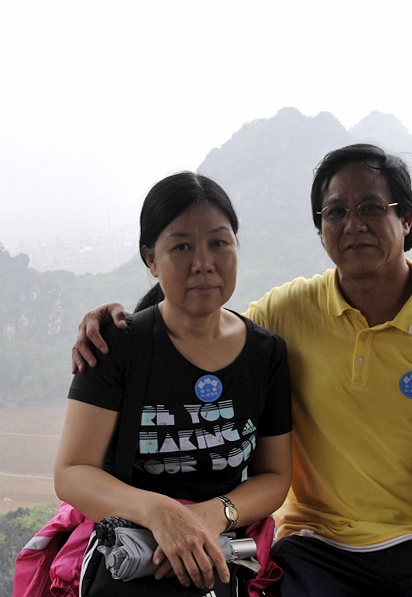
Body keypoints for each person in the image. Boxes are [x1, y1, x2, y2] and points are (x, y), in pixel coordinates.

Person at [71, 145, 412, 597]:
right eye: (336, 212)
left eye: (371, 208)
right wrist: (120, 324)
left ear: (406, 219)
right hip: (320, 547)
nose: (353, 225)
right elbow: (201, 323)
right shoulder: (287, 312)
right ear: (320, 229)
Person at [54, 171, 293, 594]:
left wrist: (211, 516)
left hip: (220, 546)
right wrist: (161, 513)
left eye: (219, 243)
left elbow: (274, 474)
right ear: (151, 259)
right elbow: (73, 471)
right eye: (181, 247)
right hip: (130, 548)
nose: (203, 263)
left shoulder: (266, 353)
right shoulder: (115, 345)